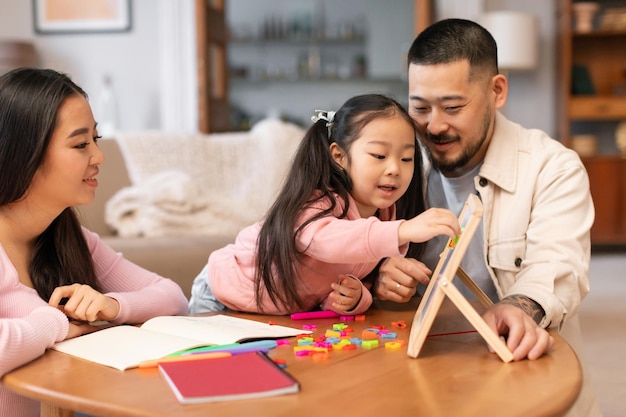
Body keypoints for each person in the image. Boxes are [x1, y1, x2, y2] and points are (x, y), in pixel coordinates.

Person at [372, 18, 601, 417]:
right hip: (423, 369)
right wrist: (378, 272)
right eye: (419, 108)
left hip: (520, 372)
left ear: (497, 91)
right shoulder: (395, 164)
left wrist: (519, 306)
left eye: (453, 107)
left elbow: (557, 267)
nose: (434, 126)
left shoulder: (554, 168)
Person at [0, 68, 189, 417]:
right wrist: (57, 325)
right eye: (80, 144)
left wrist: (110, 306)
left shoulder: (71, 239)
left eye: (96, 140)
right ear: (24, 153)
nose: (99, 157)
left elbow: (174, 298)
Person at [189, 93, 460, 315]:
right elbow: (330, 241)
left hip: (265, 315)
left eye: (406, 158)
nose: (394, 169)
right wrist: (403, 231)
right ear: (339, 156)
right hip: (219, 295)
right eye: (379, 155)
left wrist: (355, 298)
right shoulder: (319, 202)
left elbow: (339, 282)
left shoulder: (385, 217)